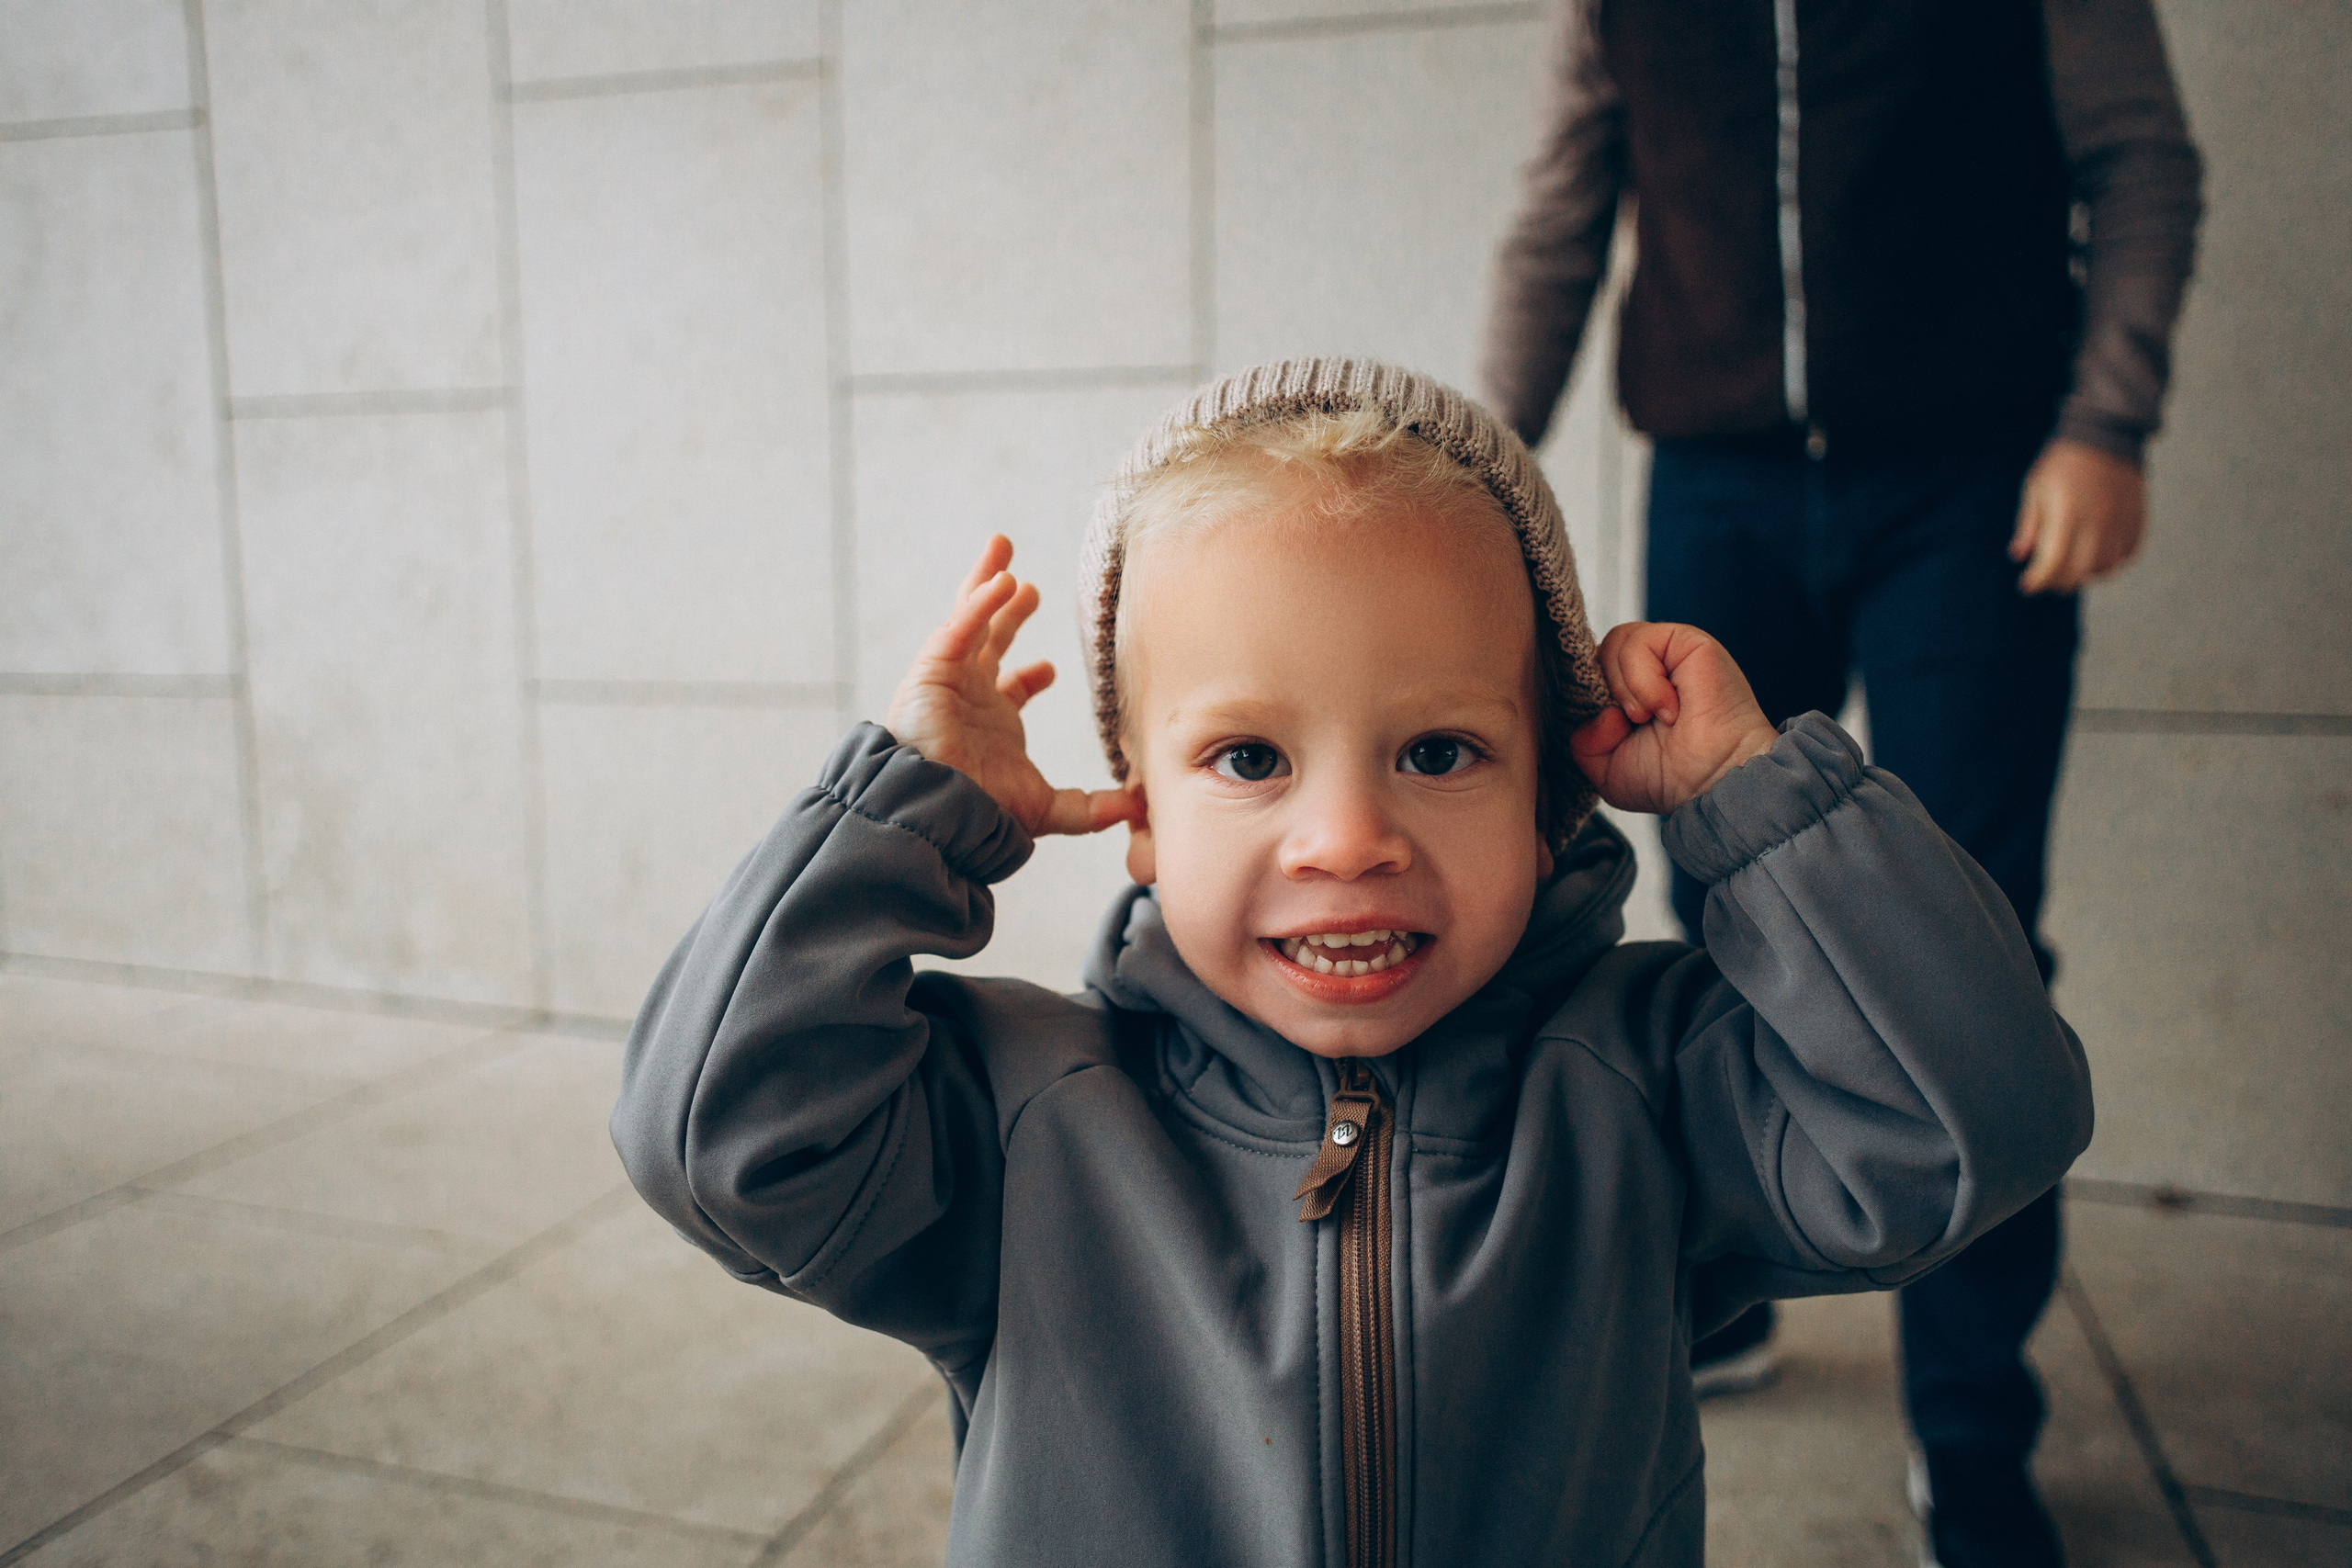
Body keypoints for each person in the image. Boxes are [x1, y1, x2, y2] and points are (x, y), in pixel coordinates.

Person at [610, 359, 2091, 1567]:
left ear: (1550, 798)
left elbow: (1981, 1123)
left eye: (1438, 751)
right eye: (1249, 757)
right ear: (1138, 818)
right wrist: (898, 824)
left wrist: (1755, 801)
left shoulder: (1638, 1083)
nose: (1346, 837)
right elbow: (720, 1140)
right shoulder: (1033, 1116)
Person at [1476, 4, 2201, 1564]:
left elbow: (2139, 163)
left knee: (1959, 935)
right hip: (1717, 485)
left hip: (1975, 478)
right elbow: (1559, 211)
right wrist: (1471, 474)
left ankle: (1969, 1425)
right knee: (1722, 913)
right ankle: (1727, 1290)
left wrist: (2105, 423)